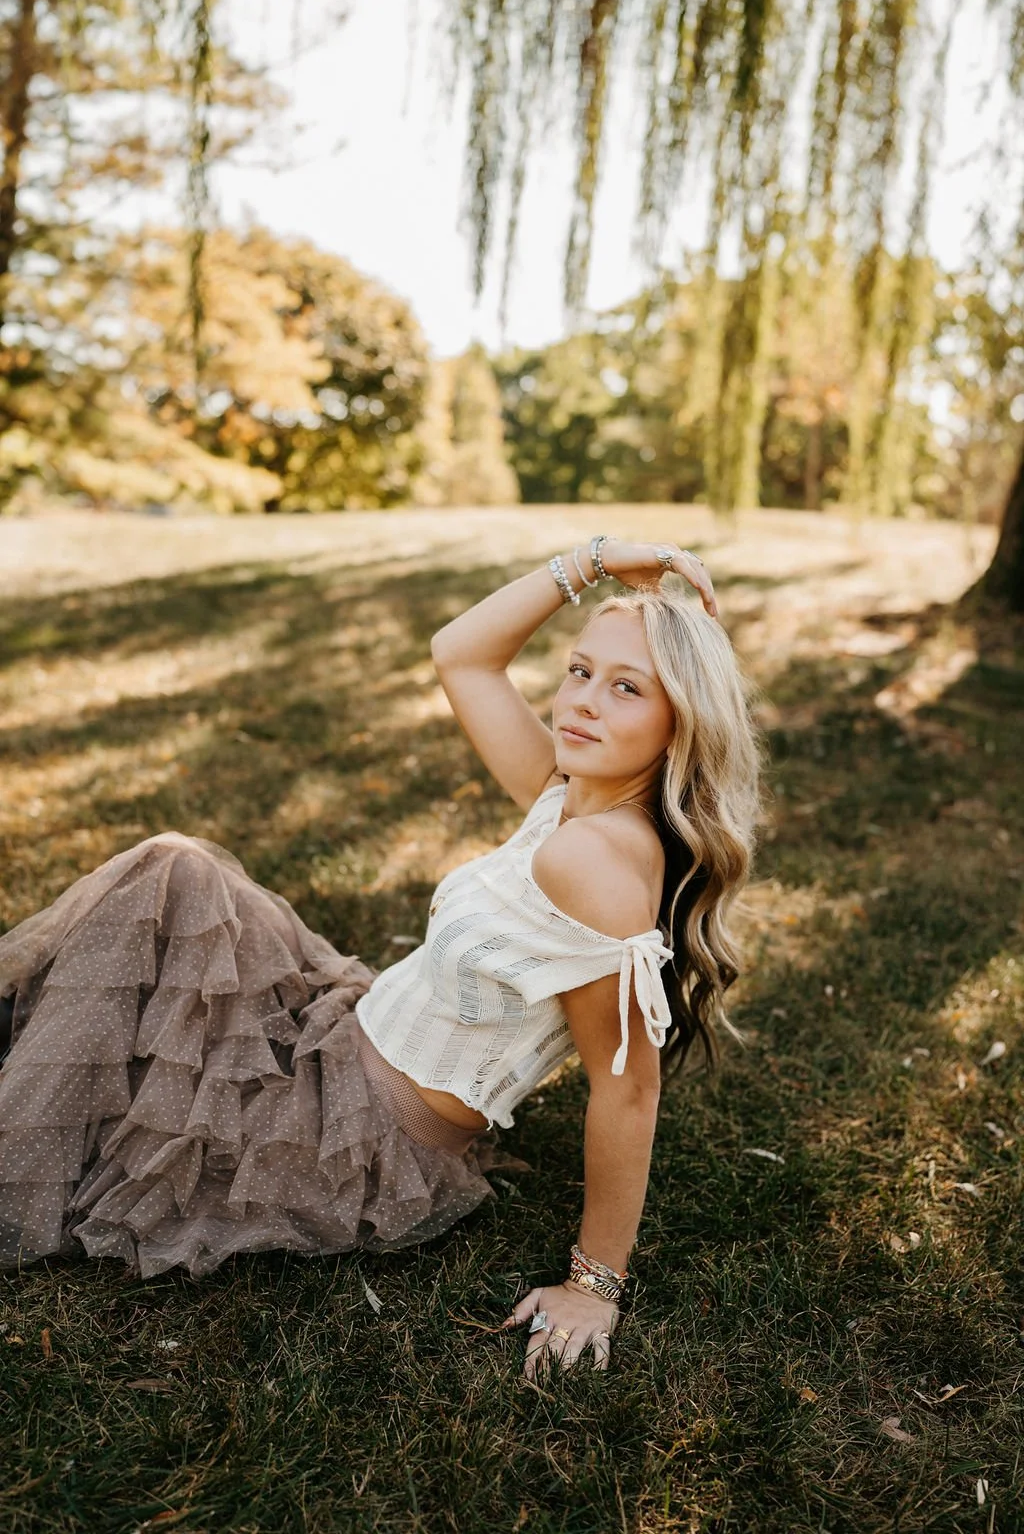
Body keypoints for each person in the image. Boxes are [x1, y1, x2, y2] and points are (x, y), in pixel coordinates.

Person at [0, 535, 759, 1378]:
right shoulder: (568, 793)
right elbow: (460, 657)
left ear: (679, 721)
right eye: (579, 671)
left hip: (355, 1126)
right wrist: (592, 561)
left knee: (163, 905)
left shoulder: (593, 861)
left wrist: (595, 1286)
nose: (582, 701)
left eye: (627, 689)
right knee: (177, 871)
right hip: (347, 1024)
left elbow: (628, 1088)